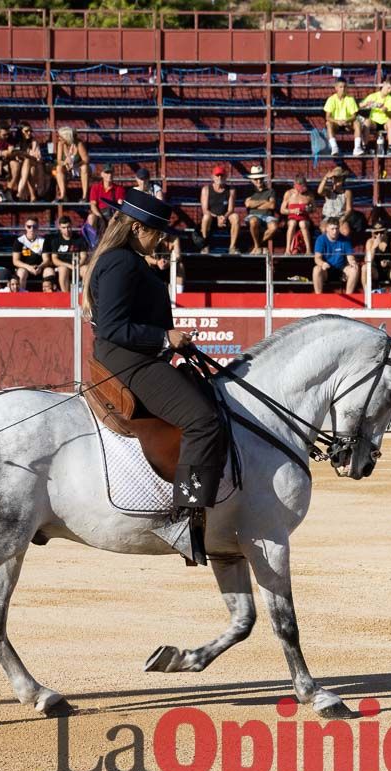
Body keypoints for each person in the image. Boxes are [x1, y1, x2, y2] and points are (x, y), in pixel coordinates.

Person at [83, 188, 225, 567]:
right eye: (157, 232)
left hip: (139, 356)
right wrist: (164, 337)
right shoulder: (121, 262)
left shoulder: (125, 261)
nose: (162, 240)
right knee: (204, 420)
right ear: (135, 228)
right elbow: (113, 327)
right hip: (129, 361)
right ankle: (183, 517)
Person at [311, 217, 358, 294]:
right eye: (332, 229)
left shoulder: (345, 240)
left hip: (341, 270)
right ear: (327, 229)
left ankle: (349, 297)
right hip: (326, 269)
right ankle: (318, 297)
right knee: (316, 269)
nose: (335, 231)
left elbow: (350, 257)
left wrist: (353, 262)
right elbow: (317, 258)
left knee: (354, 270)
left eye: (337, 228)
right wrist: (322, 263)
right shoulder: (320, 239)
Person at [354, 76, 391, 156]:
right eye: (388, 88)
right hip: (374, 122)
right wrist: (365, 104)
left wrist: (384, 110)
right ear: (384, 84)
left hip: (385, 122)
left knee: (390, 122)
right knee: (367, 121)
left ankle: (390, 147)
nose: (388, 91)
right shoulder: (373, 96)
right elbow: (359, 105)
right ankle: (365, 146)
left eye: (390, 89)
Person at [199, 165, 240, 254]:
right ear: (213, 177)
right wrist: (217, 218)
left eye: (222, 175)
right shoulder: (206, 189)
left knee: (235, 216)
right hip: (212, 218)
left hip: (225, 218)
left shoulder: (231, 190)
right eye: (217, 175)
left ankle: (232, 247)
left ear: (226, 177)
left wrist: (224, 218)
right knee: (206, 217)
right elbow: (205, 210)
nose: (219, 177)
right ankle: (205, 246)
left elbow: (231, 209)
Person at [43, 215, 89, 292]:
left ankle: (85, 295)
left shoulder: (79, 239)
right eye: (64, 228)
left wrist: (77, 266)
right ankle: (66, 295)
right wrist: (69, 266)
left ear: (71, 226)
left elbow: (83, 256)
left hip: (78, 266)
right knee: (63, 269)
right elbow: (54, 259)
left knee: (86, 269)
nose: (66, 230)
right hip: (64, 266)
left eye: (68, 227)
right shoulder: (56, 240)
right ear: (60, 228)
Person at [361, 223, 391, 294]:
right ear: (373, 233)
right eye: (376, 233)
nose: (379, 235)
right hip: (376, 271)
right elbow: (367, 261)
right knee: (364, 268)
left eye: (381, 232)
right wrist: (374, 247)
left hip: (389, 270)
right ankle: (367, 294)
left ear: (386, 231)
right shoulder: (370, 242)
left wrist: (389, 263)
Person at [243, 164, 278, 255]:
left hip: (267, 216)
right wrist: (264, 202)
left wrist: (255, 204)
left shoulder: (271, 191)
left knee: (274, 227)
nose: (259, 181)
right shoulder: (249, 191)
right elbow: (248, 204)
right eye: (256, 179)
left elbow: (272, 205)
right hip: (254, 215)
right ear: (252, 180)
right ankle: (258, 246)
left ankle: (257, 246)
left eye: (261, 179)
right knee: (253, 221)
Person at [12, 217, 51, 290]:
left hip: (39, 269)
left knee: (49, 271)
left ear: (38, 227)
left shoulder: (43, 241)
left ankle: (50, 299)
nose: (31, 229)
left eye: (34, 227)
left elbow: (46, 260)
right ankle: (20, 297)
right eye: (29, 226)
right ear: (25, 227)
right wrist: (28, 267)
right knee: (21, 272)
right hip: (25, 268)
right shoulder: (19, 241)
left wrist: (40, 267)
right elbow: (15, 261)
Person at [323, 76, 358, 157]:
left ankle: (357, 148)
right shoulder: (331, 99)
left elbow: (354, 116)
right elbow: (327, 116)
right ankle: (334, 147)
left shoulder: (350, 99)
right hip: (336, 124)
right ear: (336, 88)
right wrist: (337, 121)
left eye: (345, 87)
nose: (343, 89)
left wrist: (346, 120)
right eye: (341, 87)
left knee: (357, 123)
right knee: (328, 123)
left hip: (348, 123)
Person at [54, 126, 90, 202]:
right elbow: (59, 160)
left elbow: (86, 159)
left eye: (60, 137)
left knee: (84, 167)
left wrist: (75, 165)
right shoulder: (60, 144)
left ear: (66, 137)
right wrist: (65, 163)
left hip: (79, 166)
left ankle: (84, 196)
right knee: (58, 168)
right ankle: (63, 195)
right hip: (68, 167)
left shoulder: (78, 144)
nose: (59, 138)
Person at [280, 175, 314, 255]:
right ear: (295, 185)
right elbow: (282, 210)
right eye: (300, 187)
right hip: (292, 217)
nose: (302, 189)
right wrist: (292, 211)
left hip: (304, 217)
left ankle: (308, 250)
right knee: (292, 223)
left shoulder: (309, 195)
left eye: (304, 186)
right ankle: (288, 250)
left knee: (303, 224)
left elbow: (314, 208)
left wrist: (309, 209)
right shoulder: (289, 193)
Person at [317, 167, 353, 241]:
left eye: (339, 178)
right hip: (328, 217)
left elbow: (349, 209)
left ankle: (342, 248)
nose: (337, 180)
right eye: (335, 178)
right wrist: (326, 178)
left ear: (343, 179)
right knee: (324, 230)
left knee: (345, 231)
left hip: (340, 216)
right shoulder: (328, 191)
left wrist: (343, 219)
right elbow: (319, 191)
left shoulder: (347, 192)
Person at [87, 165, 124, 233]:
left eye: (111, 172)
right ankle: (94, 241)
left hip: (113, 214)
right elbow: (93, 205)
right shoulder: (95, 187)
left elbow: (120, 205)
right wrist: (100, 217)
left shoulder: (119, 188)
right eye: (107, 172)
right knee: (91, 218)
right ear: (102, 174)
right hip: (100, 213)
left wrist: (114, 218)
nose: (109, 175)